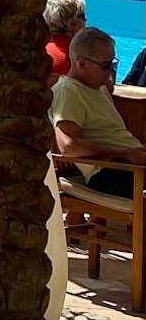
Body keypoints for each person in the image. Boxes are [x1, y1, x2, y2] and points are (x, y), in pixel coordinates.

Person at [51, 26, 146, 199]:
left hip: (128, 165)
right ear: (81, 63)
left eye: (112, 63)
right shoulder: (69, 92)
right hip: (110, 171)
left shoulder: (97, 86)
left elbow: (108, 87)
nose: (110, 71)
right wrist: (122, 153)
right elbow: (68, 146)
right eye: (105, 66)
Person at [43, 0, 86, 79]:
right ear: (72, 24)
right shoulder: (79, 57)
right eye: (83, 16)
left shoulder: (42, 49)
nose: (86, 20)